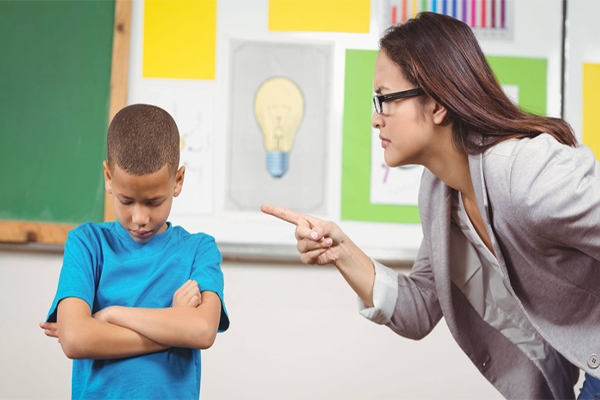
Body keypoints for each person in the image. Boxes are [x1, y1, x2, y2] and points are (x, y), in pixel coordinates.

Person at [262, 12, 600, 400]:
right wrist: (340, 250)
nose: (375, 119)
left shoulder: (524, 172)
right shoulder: (441, 194)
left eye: (384, 100)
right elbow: (419, 307)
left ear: (437, 105)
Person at [39, 104, 229, 400]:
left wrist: (111, 315)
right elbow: (75, 338)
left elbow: (202, 331)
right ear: (108, 177)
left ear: (177, 181)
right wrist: (172, 326)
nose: (140, 217)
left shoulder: (199, 250)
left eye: (154, 202)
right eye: (127, 201)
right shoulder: (87, 243)